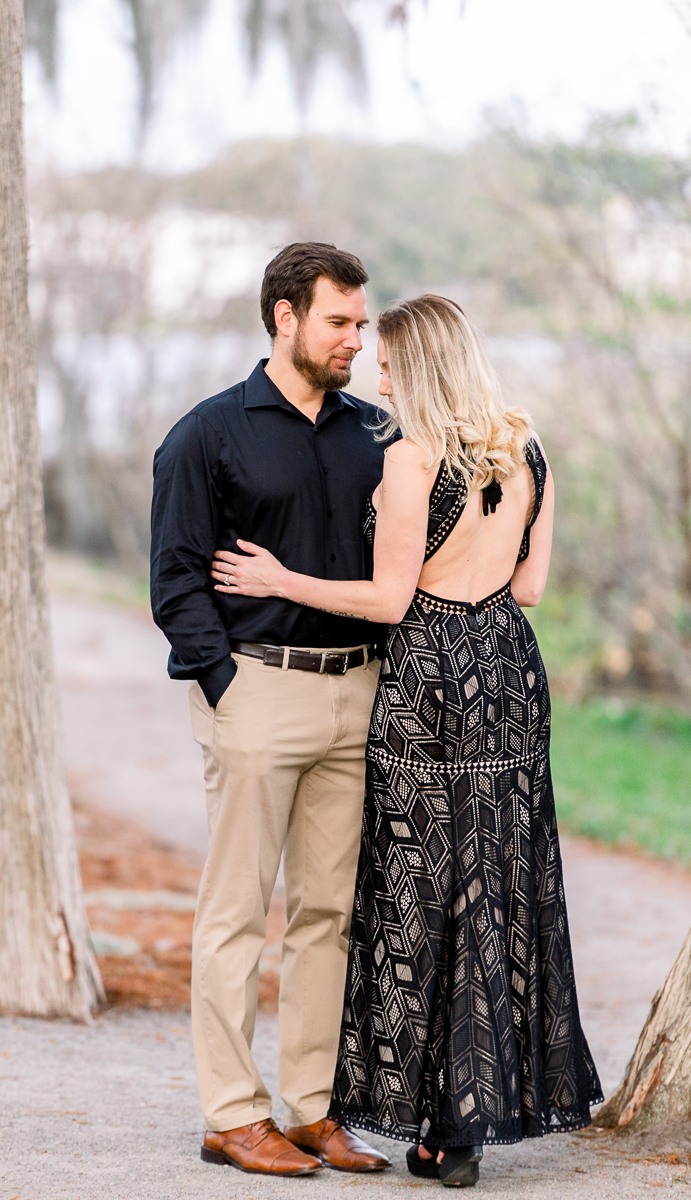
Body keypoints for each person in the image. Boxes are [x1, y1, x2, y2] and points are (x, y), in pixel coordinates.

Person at [211, 294, 604, 1188]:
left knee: (417, 897)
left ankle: (431, 1119)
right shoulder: (528, 451)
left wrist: (281, 576)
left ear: (422, 367)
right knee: (498, 888)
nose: (378, 372)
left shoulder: (411, 460)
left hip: (429, 677)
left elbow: (390, 601)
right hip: (507, 671)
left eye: (391, 360)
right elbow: (531, 587)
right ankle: (460, 1134)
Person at [150, 242, 393, 1177]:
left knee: (329, 911)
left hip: (356, 692)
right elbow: (175, 581)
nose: (356, 341)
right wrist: (226, 682)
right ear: (285, 318)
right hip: (257, 687)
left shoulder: (372, 433)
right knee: (238, 912)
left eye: (363, 324)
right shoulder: (205, 435)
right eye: (340, 322)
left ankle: (311, 1109)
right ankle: (230, 1114)